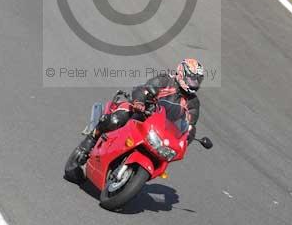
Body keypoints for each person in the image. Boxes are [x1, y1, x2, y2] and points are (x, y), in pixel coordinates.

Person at [75, 58, 204, 165]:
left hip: (160, 132)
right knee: (116, 119)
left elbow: (190, 125)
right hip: (141, 115)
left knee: (162, 157)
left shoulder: (193, 102)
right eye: (192, 80)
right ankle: (90, 140)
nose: (194, 84)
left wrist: (185, 141)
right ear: (182, 73)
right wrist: (139, 102)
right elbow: (144, 89)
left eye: (197, 81)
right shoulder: (165, 81)